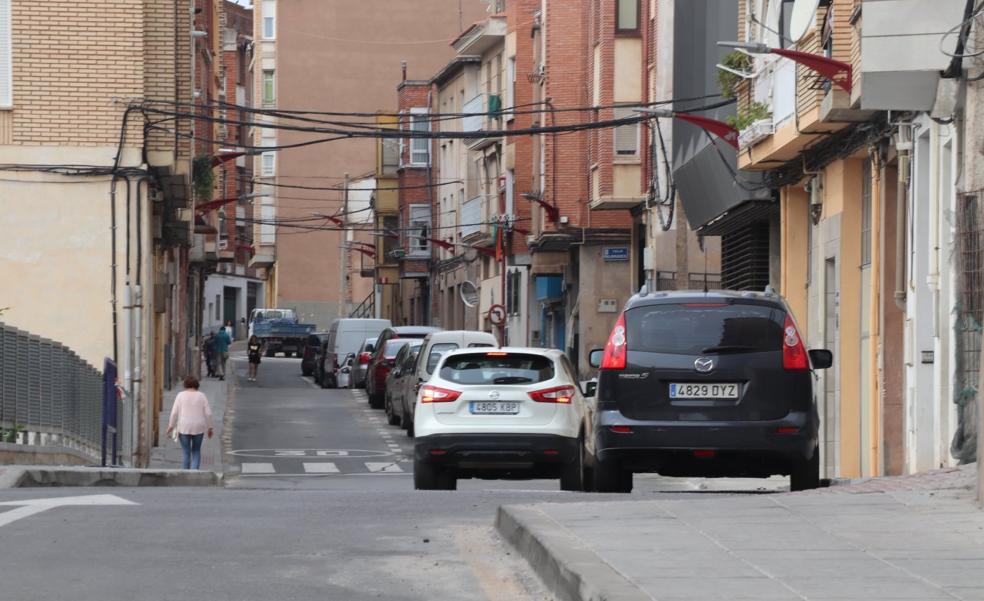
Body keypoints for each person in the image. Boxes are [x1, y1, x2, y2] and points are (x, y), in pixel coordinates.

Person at [166, 376, 214, 470]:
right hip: (199, 427)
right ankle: (194, 472)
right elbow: (208, 413)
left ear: (185, 385)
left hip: (184, 426)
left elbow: (174, 412)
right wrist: (210, 428)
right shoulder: (202, 395)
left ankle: (185, 474)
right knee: (196, 450)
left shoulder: (180, 395)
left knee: (186, 451)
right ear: (197, 385)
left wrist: (170, 426)